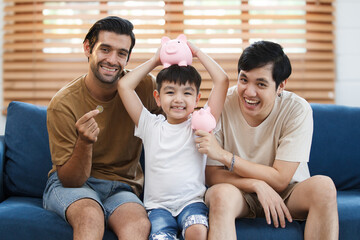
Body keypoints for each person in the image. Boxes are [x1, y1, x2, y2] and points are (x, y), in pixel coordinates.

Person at [195, 41, 339, 240]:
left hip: (288, 192)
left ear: (281, 86)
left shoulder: (297, 109)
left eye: (261, 84)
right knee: (219, 195)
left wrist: (223, 155)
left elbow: (280, 179)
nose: (249, 92)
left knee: (324, 187)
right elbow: (211, 174)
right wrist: (256, 184)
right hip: (239, 190)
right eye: (244, 80)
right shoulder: (223, 103)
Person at [43, 16, 161, 240]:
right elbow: (70, 180)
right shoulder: (63, 104)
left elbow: (178, 124)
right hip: (74, 186)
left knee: (138, 225)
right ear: (88, 48)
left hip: (123, 187)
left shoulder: (145, 87)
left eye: (121, 53)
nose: (112, 60)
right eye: (105, 49)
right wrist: (84, 143)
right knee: (90, 215)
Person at [117, 40, 229, 239]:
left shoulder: (201, 123)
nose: (178, 99)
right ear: (158, 98)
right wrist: (155, 59)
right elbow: (124, 85)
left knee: (197, 231)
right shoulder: (150, 125)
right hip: (157, 208)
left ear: (197, 99)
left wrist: (197, 52)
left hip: (192, 203)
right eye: (170, 92)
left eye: (187, 93)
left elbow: (222, 80)